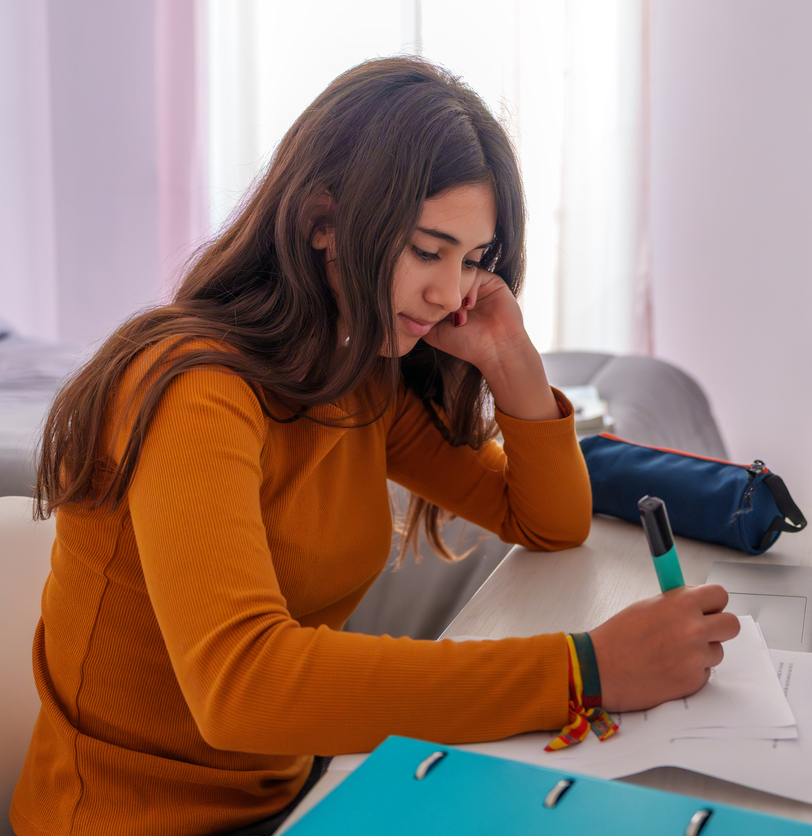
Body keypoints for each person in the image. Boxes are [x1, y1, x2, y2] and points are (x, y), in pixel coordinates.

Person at [10, 56, 739, 836]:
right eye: (429, 251)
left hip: (295, 791)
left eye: (473, 260)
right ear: (323, 220)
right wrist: (584, 670)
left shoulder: (354, 380)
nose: (452, 293)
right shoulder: (195, 389)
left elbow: (547, 522)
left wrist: (514, 362)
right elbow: (241, 689)